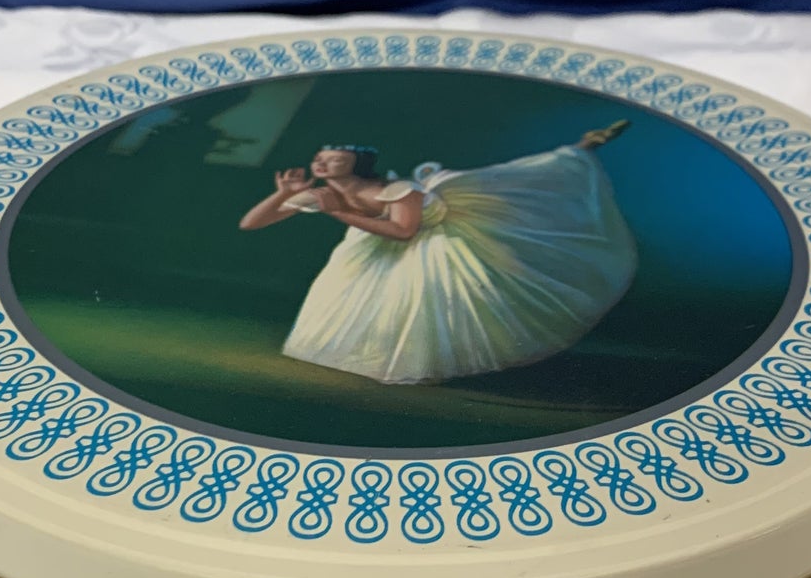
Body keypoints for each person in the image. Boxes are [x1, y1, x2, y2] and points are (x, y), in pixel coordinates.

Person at [237, 123, 636, 385]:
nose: (322, 164)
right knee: (353, 297)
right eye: (319, 159)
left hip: (437, 238)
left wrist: (337, 212)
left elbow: (403, 231)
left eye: (334, 159)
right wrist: (283, 194)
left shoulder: (398, 190)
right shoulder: (322, 192)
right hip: (371, 247)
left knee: (521, 180)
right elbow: (251, 224)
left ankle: (584, 147)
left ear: (356, 164)